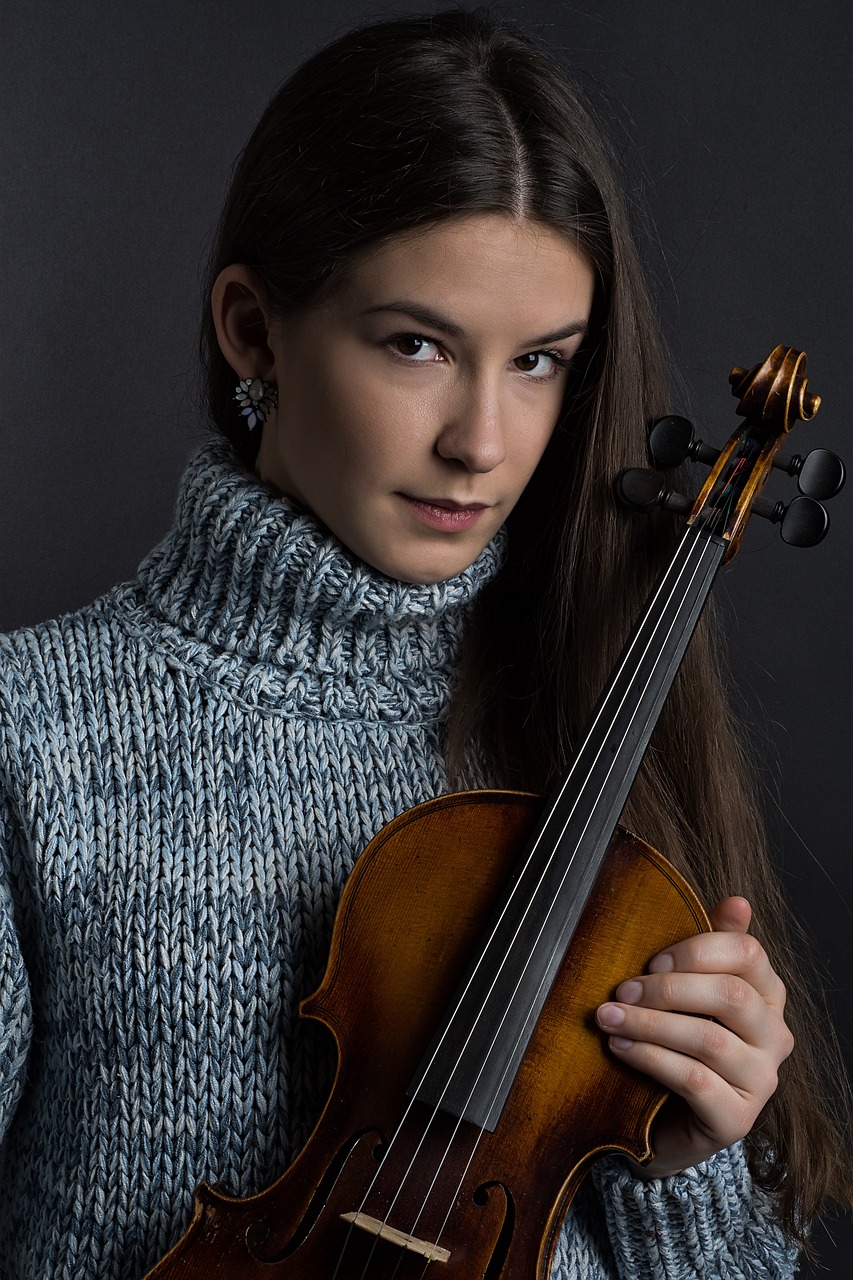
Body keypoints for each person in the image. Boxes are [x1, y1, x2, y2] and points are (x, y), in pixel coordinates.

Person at [0, 7, 850, 1278]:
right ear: (253, 329)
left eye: (540, 362)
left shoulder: (593, 706)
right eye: (416, 345)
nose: (483, 442)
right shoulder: (31, 729)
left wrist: (679, 1156)